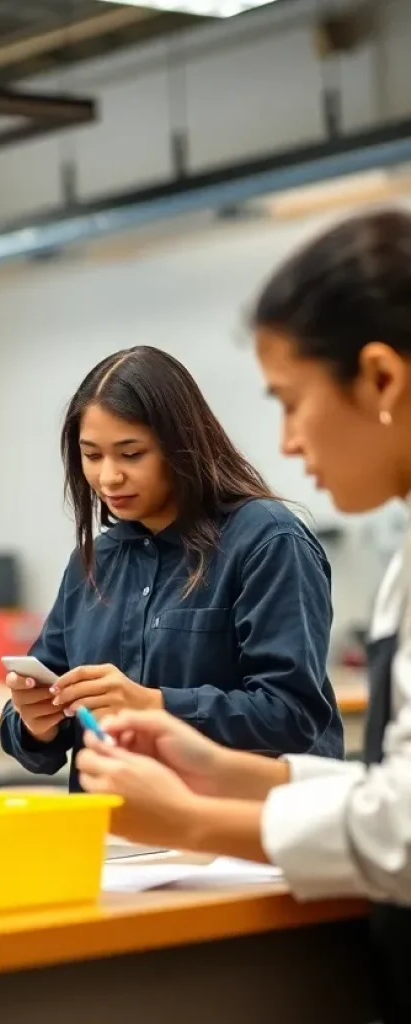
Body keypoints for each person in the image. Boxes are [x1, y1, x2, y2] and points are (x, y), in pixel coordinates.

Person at [75, 210, 411, 1023]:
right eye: (93, 456)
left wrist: (196, 818)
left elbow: (400, 826)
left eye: (292, 402)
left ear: (381, 380)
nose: (287, 442)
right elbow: (393, 789)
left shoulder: (267, 538)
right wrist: (228, 770)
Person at [0, 345, 344, 790]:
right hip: (118, 822)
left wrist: (155, 705)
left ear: (182, 446)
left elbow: (292, 714)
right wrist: (35, 723)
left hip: (240, 822)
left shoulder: (267, 541)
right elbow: (37, 715)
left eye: (131, 454)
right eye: (92, 455)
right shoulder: (95, 561)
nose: (108, 477)